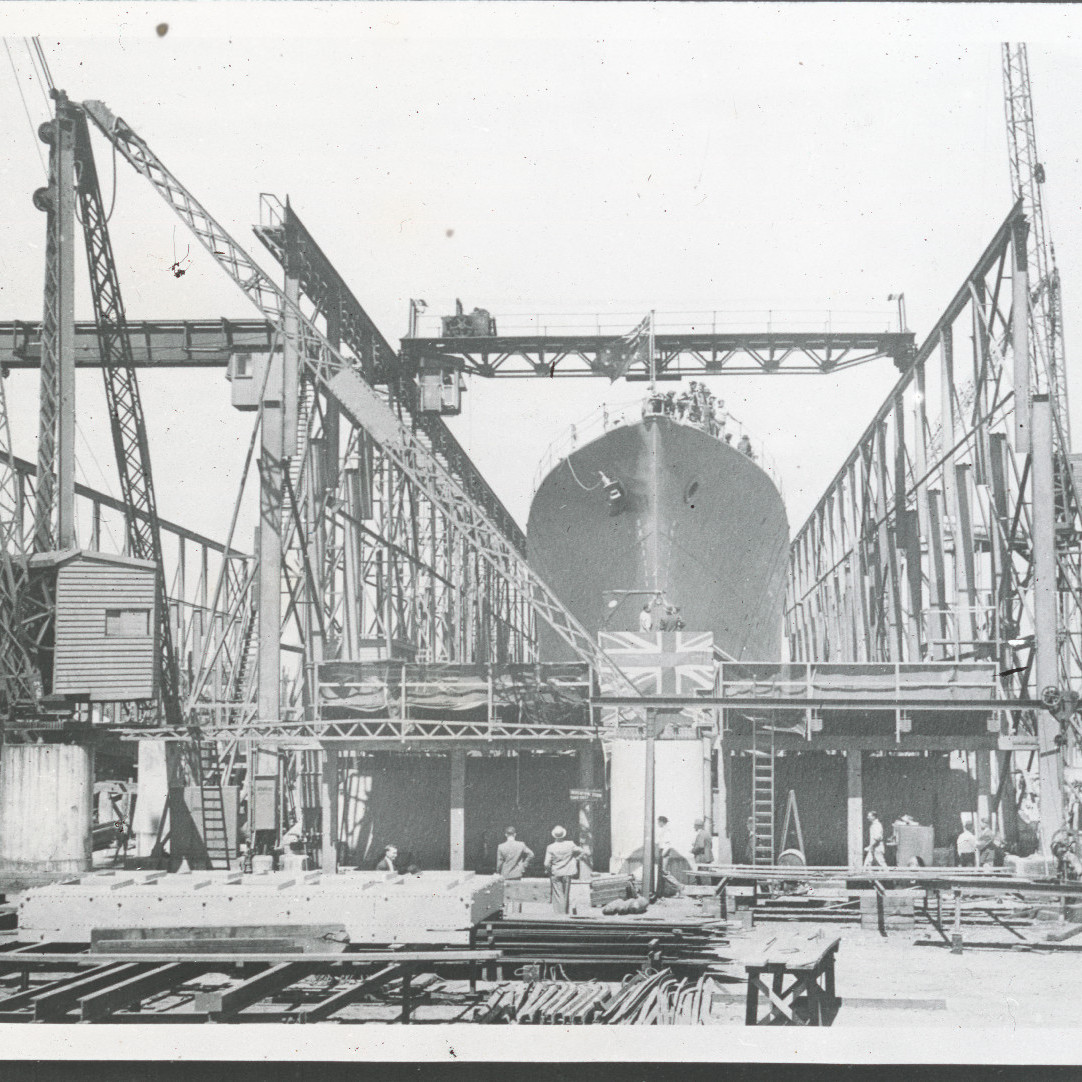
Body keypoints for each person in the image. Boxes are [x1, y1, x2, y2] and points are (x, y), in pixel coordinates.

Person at [544, 826, 583, 915]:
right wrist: (576, 859)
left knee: (558, 894)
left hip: (556, 872)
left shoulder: (550, 847)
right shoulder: (570, 844)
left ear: (554, 836)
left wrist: (548, 870)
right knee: (566, 894)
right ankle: (565, 912)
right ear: (563, 835)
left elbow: (546, 863)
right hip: (568, 872)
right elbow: (582, 851)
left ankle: (559, 913)